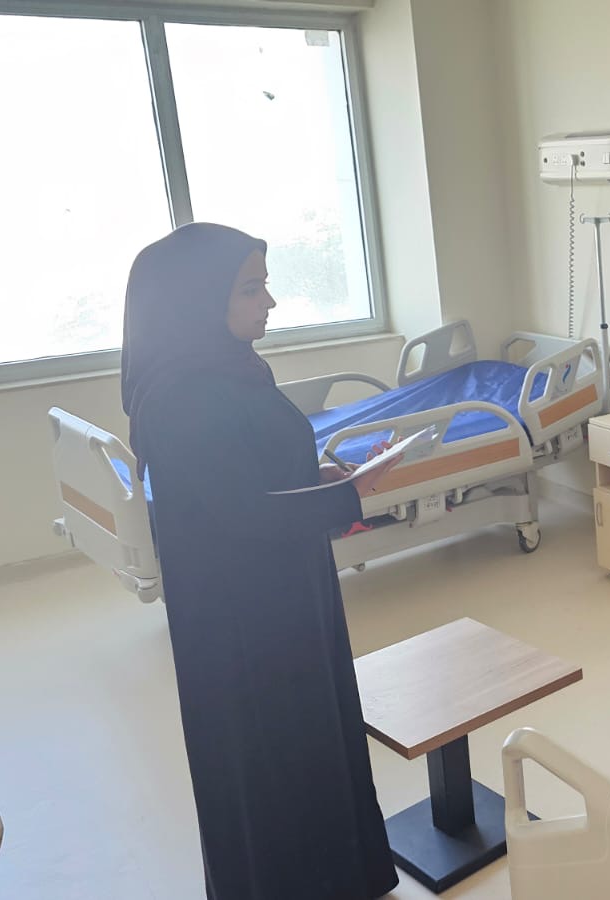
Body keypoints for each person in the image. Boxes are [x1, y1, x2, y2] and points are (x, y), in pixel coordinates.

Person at [121, 222, 399, 899]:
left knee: (313, 740)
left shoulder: (233, 368)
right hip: (243, 620)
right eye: (250, 289)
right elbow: (239, 516)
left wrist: (321, 479)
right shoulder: (179, 398)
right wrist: (348, 499)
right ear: (196, 300)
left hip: (285, 594)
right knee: (271, 759)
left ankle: (344, 875)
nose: (269, 302)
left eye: (265, 285)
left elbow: (253, 473)